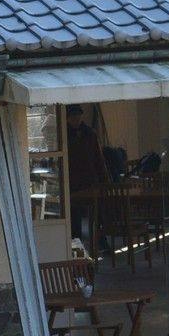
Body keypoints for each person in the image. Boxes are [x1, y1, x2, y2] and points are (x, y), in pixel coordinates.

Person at [66, 104, 108, 251]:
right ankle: (77, 247)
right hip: (73, 182)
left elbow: (98, 158)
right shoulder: (65, 135)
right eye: (72, 117)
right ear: (68, 118)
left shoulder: (89, 133)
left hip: (90, 180)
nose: (76, 119)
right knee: (75, 216)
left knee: (98, 214)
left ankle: (102, 242)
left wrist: (103, 179)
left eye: (77, 116)